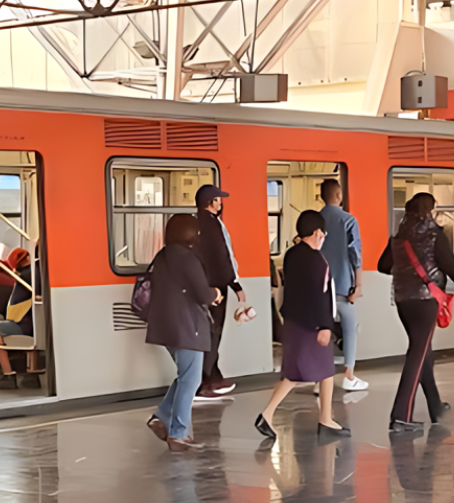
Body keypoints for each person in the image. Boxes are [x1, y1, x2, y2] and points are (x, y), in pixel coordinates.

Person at [389, 193, 454, 432]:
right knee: (417, 355)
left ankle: (435, 406)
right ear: (430, 210)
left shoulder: (399, 235)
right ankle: (401, 416)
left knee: (423, 354)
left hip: (403, 300)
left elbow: (383, 265)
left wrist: (405, 268)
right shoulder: (435, 235)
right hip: (425, 302)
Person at [254, 210, 350, 441]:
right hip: (312, 326)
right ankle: (274, 415)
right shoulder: (316, 260)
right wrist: (325, 326)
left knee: (309, 371)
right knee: (310, 373)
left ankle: (321, 418)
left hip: (294, 322)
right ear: (317, 233)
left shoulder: (292, 254)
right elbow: (319, 295)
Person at [144, 214, 223, 452]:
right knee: (191, 378)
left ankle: (161, 417)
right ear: (191, 235)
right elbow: (202, 294)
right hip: (186, 325)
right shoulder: (188, 258)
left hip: (164, 325)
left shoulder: (162, 256)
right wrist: (215, 293)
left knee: (186, 376)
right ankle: (178, 434)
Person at [195, 184, 244, 401]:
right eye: (218, 199)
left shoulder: (195, 222)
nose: (220, 203)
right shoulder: (213, 225)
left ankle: (214, 376)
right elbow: (222, 256)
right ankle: (205, 382)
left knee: (207, 332)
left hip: (200, 285)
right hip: (216, 287)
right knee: (214, 332)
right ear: (211, 202)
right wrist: (236, 286)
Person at [318, 178, 367, 392]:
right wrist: (359, 285)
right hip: (343, 285)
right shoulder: (348, 220)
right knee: (349, 328)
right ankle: (349, 374)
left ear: (322, 197)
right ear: (339, 196)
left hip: (319, 286)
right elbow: (355, 253)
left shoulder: (315, 220)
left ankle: (320, 380)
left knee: (322, 331)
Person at [0, 248, 44, 390]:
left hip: (25, 324)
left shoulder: (27, 275)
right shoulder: (38, 271)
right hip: (34, 323)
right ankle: (32, 373)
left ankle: (8, 374)